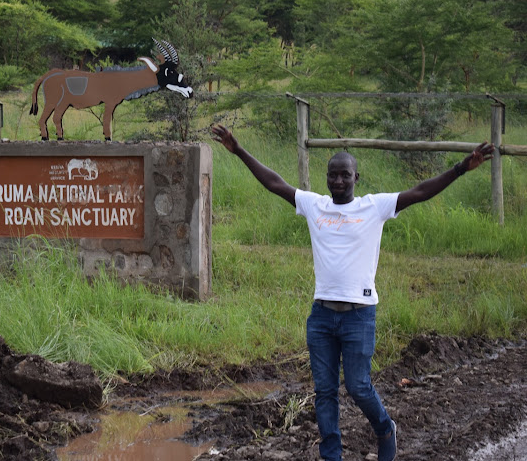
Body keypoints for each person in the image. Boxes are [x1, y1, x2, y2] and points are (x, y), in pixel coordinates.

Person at [211, 125, 495, 461]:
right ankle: (332, 454)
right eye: (333, 175)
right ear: (327, 177)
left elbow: (421, 191)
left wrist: (461, 168)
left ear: (356, 177)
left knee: (359, 387)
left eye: (345, 175)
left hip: (359, 316)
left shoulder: (373, 207)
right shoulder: (315, 206)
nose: (338, 182)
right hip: (321, 317)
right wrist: (239, 150)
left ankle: (385, 428)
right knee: (325, 392)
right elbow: (276, 184)